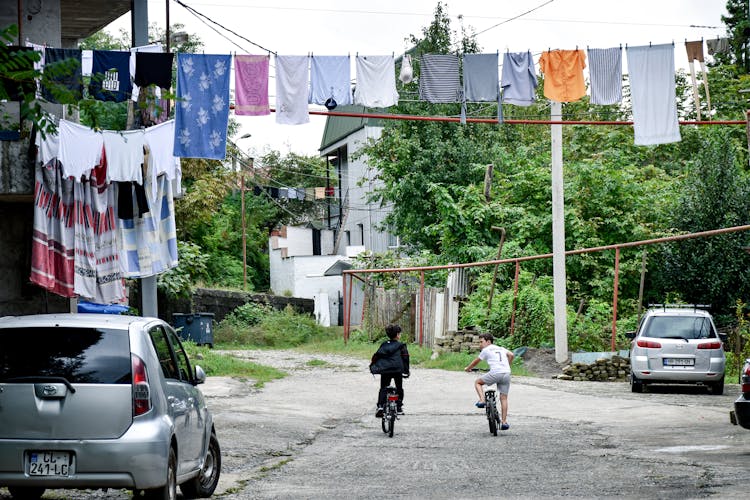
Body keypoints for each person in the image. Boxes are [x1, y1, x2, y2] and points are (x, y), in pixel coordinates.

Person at [464, 333, 514, 430]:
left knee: (478, 382)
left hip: (496, 373)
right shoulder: (501, 348)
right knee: (504, 398)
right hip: (506, 373)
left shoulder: (486, 350)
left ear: (488, 341)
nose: (480, 344)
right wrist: (507, 365)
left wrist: (468, 368)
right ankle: (504, 422)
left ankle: (482, 400)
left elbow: (476, 361)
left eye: (481, 342)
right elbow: (511, 355)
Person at [369, 324, 410, 417]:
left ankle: (380, 406)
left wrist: (372, 366)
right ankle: (399, 407)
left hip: (385, 370)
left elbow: (377, 356)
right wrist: (406, 371)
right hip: (397, 370)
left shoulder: (384, 345)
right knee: (399, 388)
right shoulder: (401, 346)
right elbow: (406, 358)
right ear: (398, 335)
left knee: (383, 388)